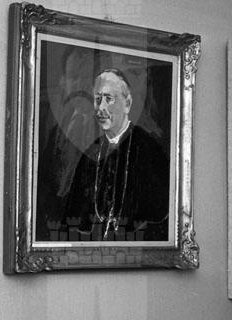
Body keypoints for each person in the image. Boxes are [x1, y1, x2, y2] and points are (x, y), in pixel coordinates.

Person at [63, 68, 170, 241]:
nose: (101, 108)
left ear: (127, 104)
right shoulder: (90, 153)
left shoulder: (149, 150)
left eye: (109, 99)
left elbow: (161, 216)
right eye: (98, 99)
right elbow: (74, 218)